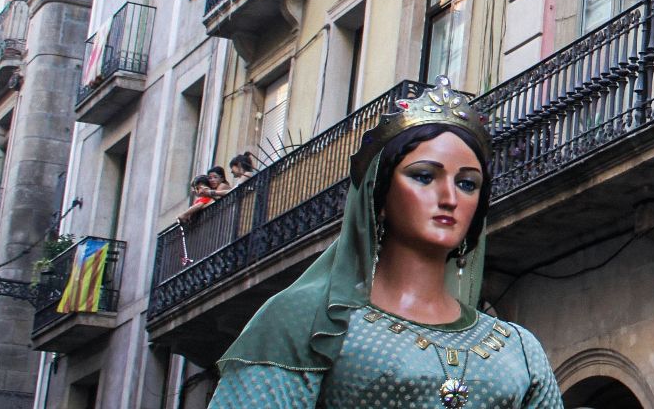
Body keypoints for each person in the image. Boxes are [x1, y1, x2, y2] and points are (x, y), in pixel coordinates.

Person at [210, 76, 563, 409]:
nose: (449, 197)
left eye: (468, 184)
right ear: (379, 195)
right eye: (424, 176)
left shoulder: (518, 348)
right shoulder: (306, 321)